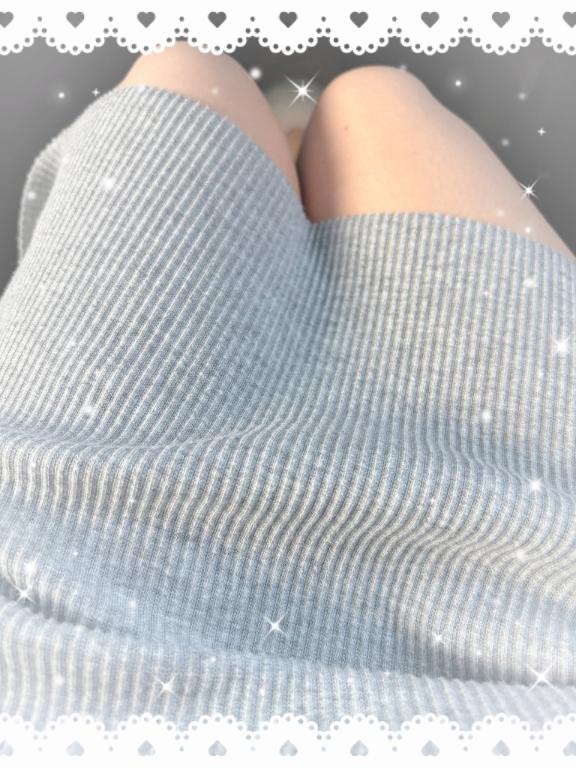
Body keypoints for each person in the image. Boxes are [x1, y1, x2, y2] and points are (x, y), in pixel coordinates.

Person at [1, 42, 576, 737]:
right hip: (517, 591)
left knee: (186, 78)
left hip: (62, 537)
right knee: (376, 103)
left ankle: (290, 203)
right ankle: (298, 193)